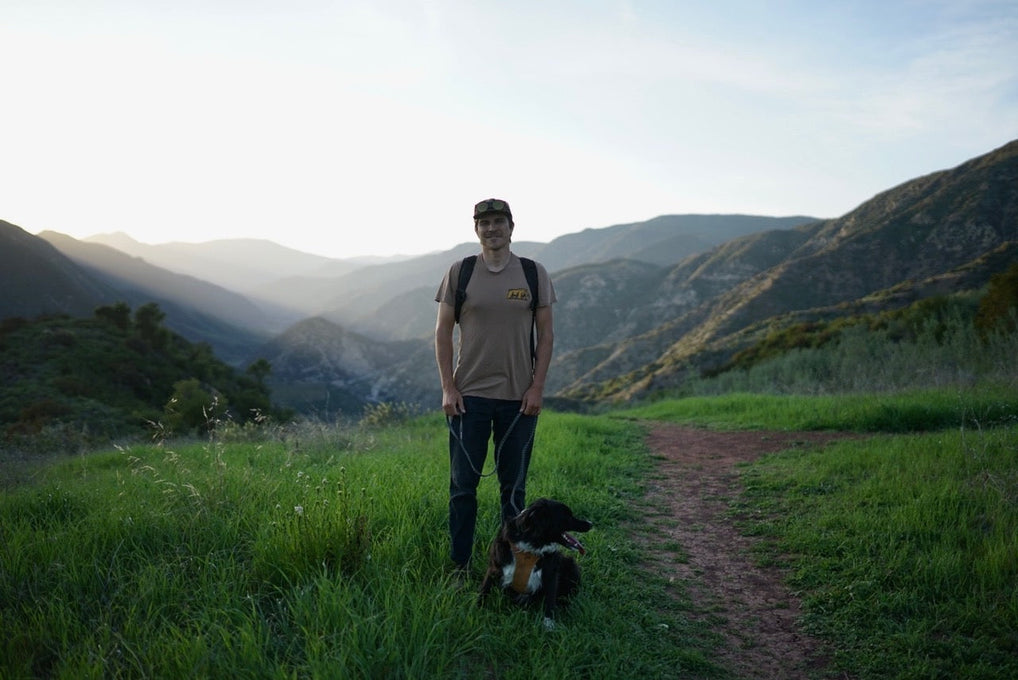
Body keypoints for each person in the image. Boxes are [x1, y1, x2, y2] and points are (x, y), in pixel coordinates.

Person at [434, 197, 556, 574]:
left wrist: (536, 388)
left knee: (513, 493)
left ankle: (513, 571)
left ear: (511, 227)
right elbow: (442, 332)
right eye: (484, 223)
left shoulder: (533, 273)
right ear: (476, 229)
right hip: (468, 398)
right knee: (462, 489)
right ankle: (460, 566)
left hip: (518, 401)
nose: (492, 229)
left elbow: (546, 336)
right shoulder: (461, 272)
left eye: (498, 221)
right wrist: (448, 387)